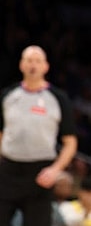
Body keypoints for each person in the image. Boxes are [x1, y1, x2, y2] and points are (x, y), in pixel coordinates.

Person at [0, 45, 78, 226]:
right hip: (8, 170)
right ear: (21, 65)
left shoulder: (58, 98)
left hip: (41, 173)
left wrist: (55, 169)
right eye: (29, 60)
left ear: (46, 66)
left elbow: (70, 142)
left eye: (37, 61)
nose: (33, 65)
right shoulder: (7, 95)